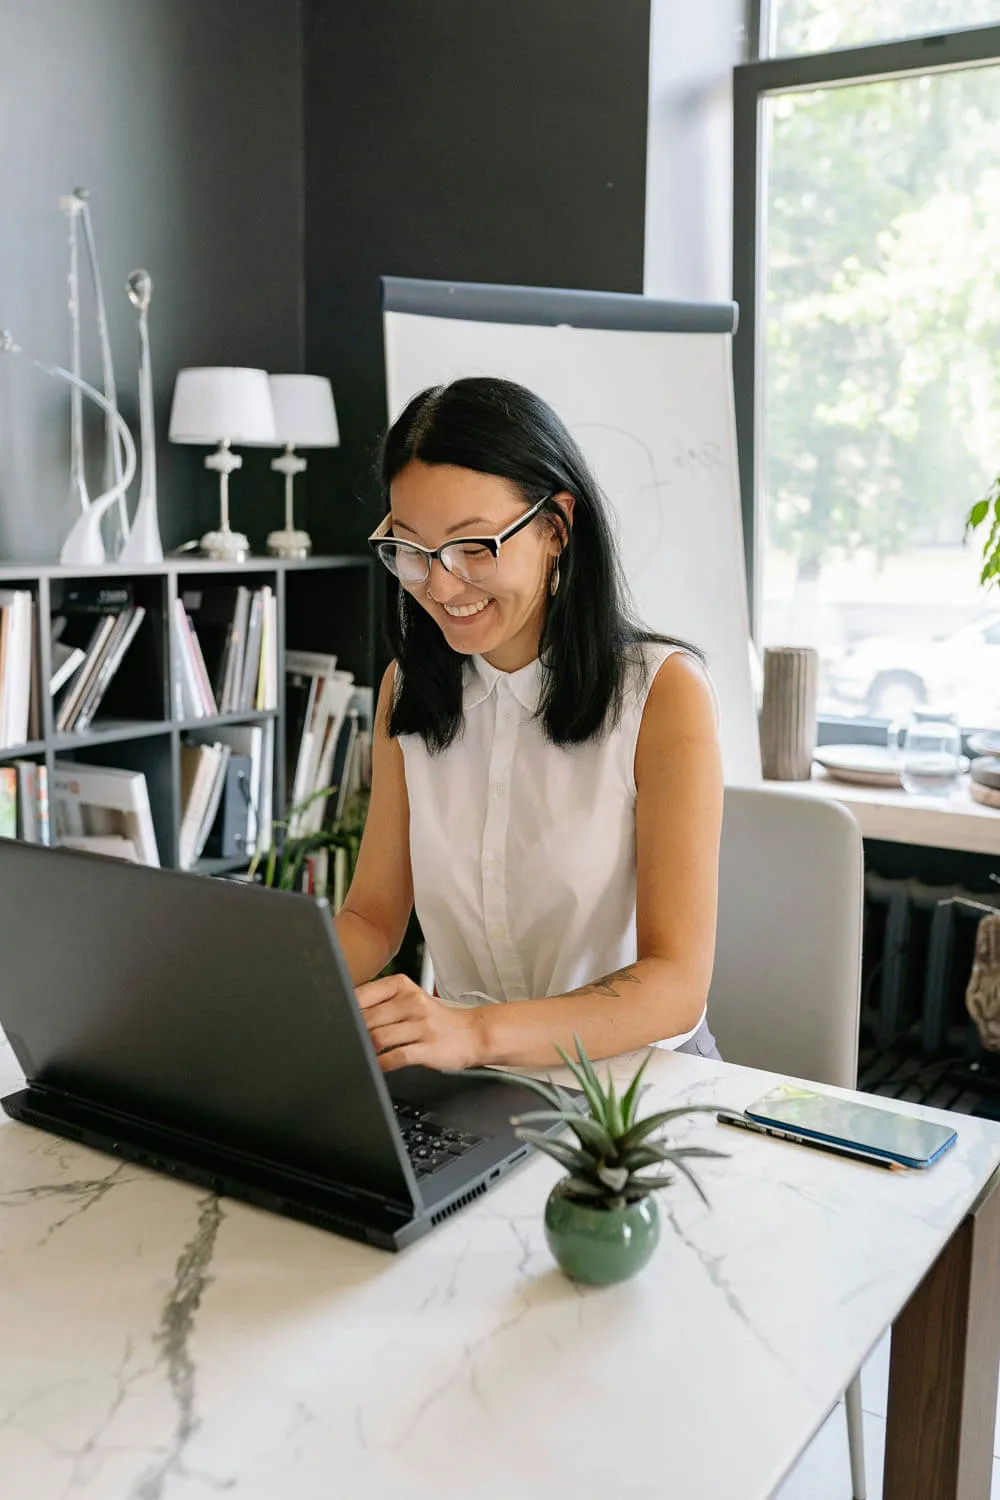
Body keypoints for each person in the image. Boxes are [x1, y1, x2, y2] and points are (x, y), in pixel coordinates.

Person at [334, 376, 724, 1073]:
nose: (441, 585)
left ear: (555, 528)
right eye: (411, 549)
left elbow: (675, 985)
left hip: (632, 1086)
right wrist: (265, 985)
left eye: (473, 547)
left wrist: (475, 1032)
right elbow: (372, 918)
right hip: (470, 1079)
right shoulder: (409, 692)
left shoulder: (661, 693)